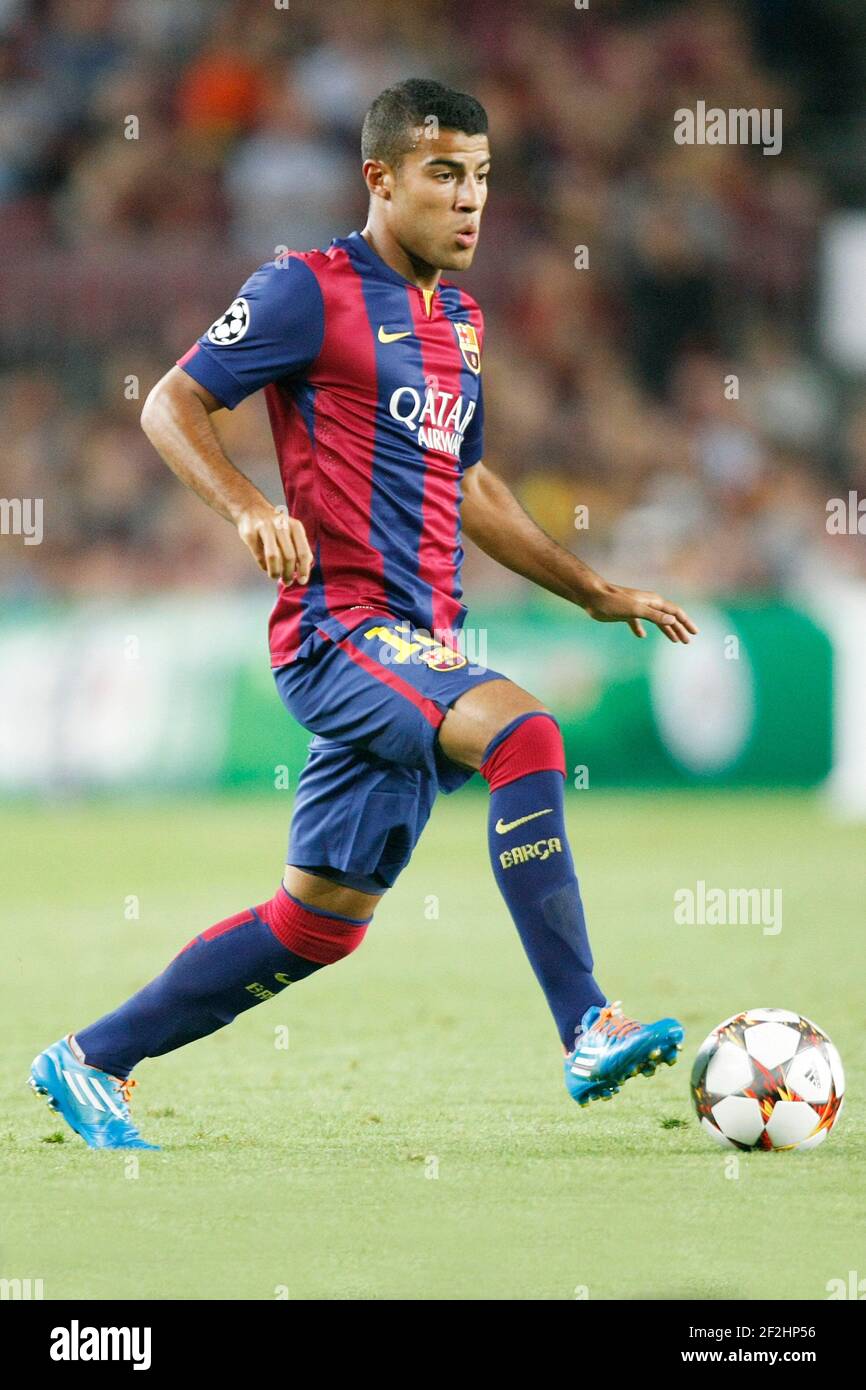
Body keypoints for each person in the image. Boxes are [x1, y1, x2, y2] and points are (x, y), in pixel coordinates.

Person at [30, 79, 696, 1150]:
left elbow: (470, 486)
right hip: (339, 629)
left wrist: (592, 589)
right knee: (524, 733)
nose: (468, 199)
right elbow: (170, 402)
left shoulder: (460, 322)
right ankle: (584, 1023)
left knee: (318, 923)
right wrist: (249, 507)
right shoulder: (308, 288)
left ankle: (88, 1057)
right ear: (379, 180)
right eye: (442, 174)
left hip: (418, 643)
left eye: (480, 176)